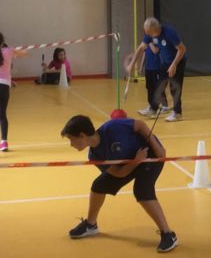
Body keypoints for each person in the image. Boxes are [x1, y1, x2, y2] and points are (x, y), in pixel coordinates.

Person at [60, 114, 177, 252]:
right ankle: (91, 225)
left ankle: (168, 234)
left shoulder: (112, 127)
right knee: (99, 185)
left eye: (71, 139)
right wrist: (136, 162)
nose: (71, 144)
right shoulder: (94, 156)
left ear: (82, 135)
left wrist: (157, 148)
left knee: (142, 191)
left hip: (149, 154)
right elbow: (120, 173)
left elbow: (140, 125)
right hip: (133, 163)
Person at [144, 18, 188, 122]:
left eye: (149, 32)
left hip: (178, 61)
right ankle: (153, 108)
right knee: (159, 85)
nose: (148, 34)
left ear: (154, 29)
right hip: (166, 62)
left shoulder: (169, 32)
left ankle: (177, 113)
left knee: (174, 87)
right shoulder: (152, 35)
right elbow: (143, 47)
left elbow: (182, 49)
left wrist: (174, 65)